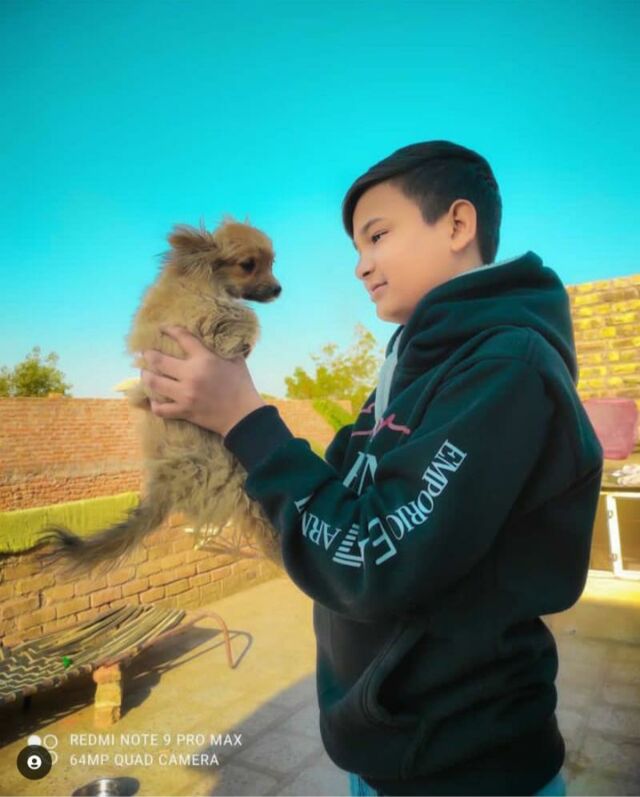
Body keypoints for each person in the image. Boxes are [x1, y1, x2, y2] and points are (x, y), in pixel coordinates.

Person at [140, 140, 604, 796]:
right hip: (386, 754)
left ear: (457, 224)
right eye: (357, 248)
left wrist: (245, 417)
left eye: (377, 235)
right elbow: (335, 506)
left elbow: (370, 556)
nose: (361, 265)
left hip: (466, 769)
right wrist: (213, 429)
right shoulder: (408, 366)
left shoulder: (504, 370)